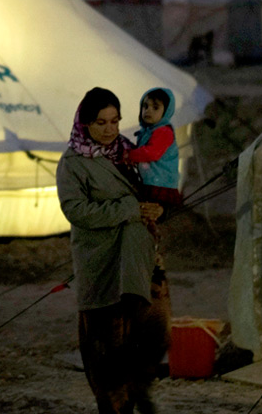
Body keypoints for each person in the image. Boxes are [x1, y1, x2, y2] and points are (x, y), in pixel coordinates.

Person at [57, 87, 167, 414]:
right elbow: (77, 211)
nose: (109, 129)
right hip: (103, 260)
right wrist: (128, 209)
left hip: (141, 258)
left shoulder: (127, 153)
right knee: (107, 344)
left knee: (149, 335)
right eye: (101, 122)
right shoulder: (73, 163)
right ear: (86, 123)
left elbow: (148, 194)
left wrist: (155, 208)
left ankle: (138, 393)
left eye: (115, 121)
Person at [118, 88, 181, 238]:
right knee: (146, 213)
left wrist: (130, 155)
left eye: (155, 107)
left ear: (166, 111)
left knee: (151, 211)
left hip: (160, 182)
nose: (148, 111)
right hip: (151, 180)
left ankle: (151, 236)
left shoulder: (163, 132)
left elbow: (151, 153)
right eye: (145, 106)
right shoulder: (149, 131)